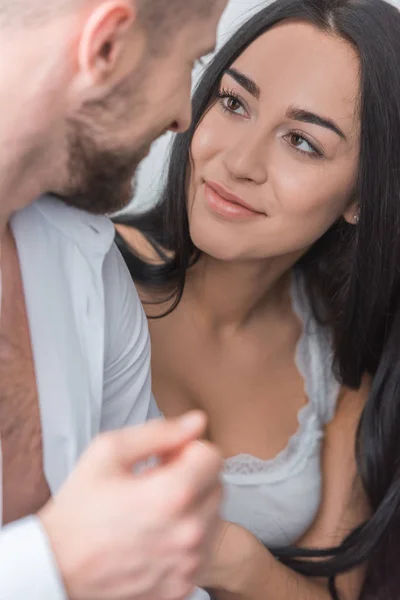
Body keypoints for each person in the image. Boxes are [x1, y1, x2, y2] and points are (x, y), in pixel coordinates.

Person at [115, 0, 400, 598]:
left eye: (301, 141)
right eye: (234, 102)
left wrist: (234, 558)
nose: (238, 162)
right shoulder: (85, 269)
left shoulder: (343, 363)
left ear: (362, 195)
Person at [0, 0, 229, 598]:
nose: (184, 116)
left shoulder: (91, 265)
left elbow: (153, 569)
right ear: (107, 45)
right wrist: (53, 568)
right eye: (189, 61)